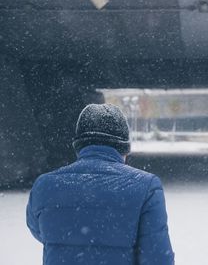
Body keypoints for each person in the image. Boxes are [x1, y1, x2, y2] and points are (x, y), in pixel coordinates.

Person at [26, 104, 174, 265]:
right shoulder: (146, 186)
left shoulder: (45, 185)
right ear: (123, 148)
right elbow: (157, 258)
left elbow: (39, 230)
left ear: (80, 145)